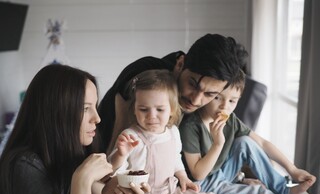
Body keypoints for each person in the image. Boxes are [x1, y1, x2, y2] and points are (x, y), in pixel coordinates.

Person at [0, 64, 150, 194]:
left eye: (95, 106)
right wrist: (82, 180)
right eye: (85, 108)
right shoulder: (26, 166)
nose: (97, 118)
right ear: (56, 112)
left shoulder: (73, 151)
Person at [109, 69, 265, 194]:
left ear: (171, 109)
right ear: (134, 109)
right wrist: (120, 154)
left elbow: (176, 159)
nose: (151, 116)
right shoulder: (131, 136)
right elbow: (115, 173)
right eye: (143, 109)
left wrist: (183, 177)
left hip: (171, 192)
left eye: (159, 110)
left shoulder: (173, 132)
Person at [178, 68, 320, 194]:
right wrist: (218, 144)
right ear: (209, 94)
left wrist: (292, 170)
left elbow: (262, 143)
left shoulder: (230, 119)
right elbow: (198, 174)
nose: (224, 106)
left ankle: (282, 189)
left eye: (232, 101)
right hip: (203, 185)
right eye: (218, 98)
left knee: (245, 142)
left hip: (220, 173)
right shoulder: (190, 126)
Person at [98, 33, 246, 155]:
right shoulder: (147, 78)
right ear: (180, 64)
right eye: (192, 85)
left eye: (210, 94)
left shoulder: (205, 97)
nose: (195, 99)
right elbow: (119, 142)